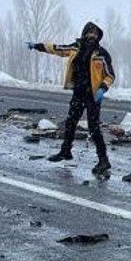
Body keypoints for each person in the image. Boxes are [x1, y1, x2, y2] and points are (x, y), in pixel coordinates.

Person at [27, 22, 115, 177]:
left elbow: (110, 75)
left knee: (94, 128)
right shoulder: (76, 48)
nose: (92, 36)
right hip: (79, 92)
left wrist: (102, 88)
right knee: (70, 122)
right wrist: (37, 46)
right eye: (89, 32)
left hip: (93, 95)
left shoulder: (101, 53)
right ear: (84, 34)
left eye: (95, 33)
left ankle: (104, 160)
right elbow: (57, 49)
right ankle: (65, 151)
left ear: (98, 36)